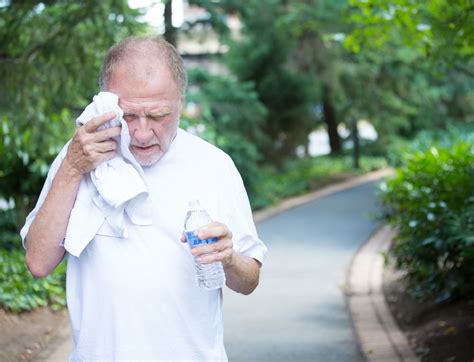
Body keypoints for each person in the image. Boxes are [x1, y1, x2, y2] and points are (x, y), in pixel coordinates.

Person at [20, 36, 267, 361]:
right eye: (129, 116)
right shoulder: (80, 156)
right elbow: (38, 262)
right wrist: (72, 168)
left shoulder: (215, 166)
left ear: (180, 102)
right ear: (106, 102)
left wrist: (229, 258)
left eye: (157, 115)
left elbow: (249, 280)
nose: (141, 133)